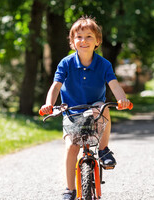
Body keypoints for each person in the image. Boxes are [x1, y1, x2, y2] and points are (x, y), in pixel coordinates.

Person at [39, 16, 131, 200]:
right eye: (79, 37)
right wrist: (49, 103)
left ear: (97, 41)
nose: (84, 40)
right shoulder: (66, 63)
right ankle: (69, 189)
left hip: (95, 110)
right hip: (72, 111)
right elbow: (56, 86)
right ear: (72, 42)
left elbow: (113, 84)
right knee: (71, 148)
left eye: (89, 36)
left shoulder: (104, 64)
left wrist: (123, 99)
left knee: (104, 107)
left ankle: (104, 149)